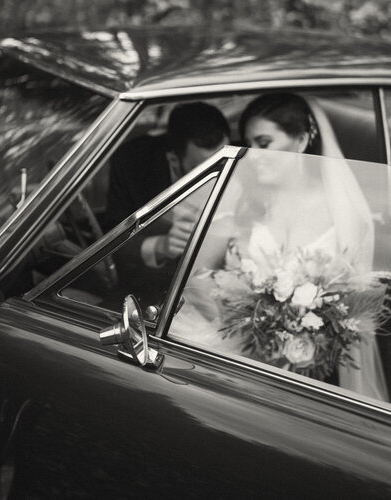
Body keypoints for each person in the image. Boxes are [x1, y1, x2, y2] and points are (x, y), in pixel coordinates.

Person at [171, 93, 389, 402]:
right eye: (249, 144)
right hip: (217, 346)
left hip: (301, 368)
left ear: (301, 140)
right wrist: (247, 330)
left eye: (264, 143)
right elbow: (194, 275)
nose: (254, 155)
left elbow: (356, 306)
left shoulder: (343, 211)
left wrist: (308, 340)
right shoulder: (241, 196)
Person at [103, 101, 230, 307]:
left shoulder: (247, 162)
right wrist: (161, 246)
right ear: (173, 160)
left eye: (222, 163)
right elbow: (112, 240)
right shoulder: (133, 165)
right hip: (154, 294)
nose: (216, 176)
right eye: (203, 169)